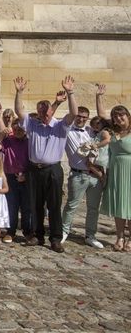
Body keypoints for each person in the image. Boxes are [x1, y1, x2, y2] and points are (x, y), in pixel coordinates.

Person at [14, 75, 77, 253]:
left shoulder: (60, 125)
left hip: (53, 170)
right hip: (35, 169)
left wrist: (70, 92)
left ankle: (56, 238)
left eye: (46, 112)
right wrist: (19, 92)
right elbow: (19, 111)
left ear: (51, 111)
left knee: (54, 204)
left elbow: (73, 113)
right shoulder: (33, 124)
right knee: (35, 204)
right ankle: (38, 235)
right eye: (41, 112)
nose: (44, 115)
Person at [60, 106, 105, 249]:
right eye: (79, 116)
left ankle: (90, 235)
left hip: (95, 176)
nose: (81, 119)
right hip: (78, 174)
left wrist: (98, 97)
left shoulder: (92, 132)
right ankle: (64, 231)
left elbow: (104, 121)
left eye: (85, 117)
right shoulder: (66, 130)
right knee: (71, 205)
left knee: (93, 208)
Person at [0, 104, 31, 243]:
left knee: (27, 207)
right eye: (16, 125)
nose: (18, 128)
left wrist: (25, 175)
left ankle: (28, 232)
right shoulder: (8, 140)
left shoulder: (29, 141)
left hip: (26, 177)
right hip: (10, 176)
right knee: (12, 206)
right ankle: (11, 231)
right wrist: (1, 134)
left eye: (21, 125)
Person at [99, 103, 131, 252]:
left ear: (127, 115)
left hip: (129, 171)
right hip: (115, 172)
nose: (118, 118)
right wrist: (99, 97)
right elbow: (101, 116)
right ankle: (120, 236)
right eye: (115, 116)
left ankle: (130, 238)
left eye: (121, 115)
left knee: (129, 206)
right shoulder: (112, 132)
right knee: (119, 205)